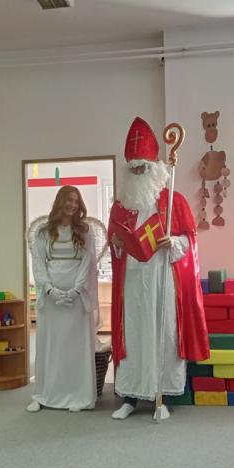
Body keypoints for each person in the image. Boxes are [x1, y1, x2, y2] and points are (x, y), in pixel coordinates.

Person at [108, 116, 208, 421]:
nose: (138, 173)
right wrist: (118, 244)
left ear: (154, 168)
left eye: (143, 168)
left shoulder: (174, 201)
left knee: (164, 334)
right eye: (133, 169)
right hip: (133, 282)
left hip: (164, 279)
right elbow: (115, 246)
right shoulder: (120, 206)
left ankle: (162, 398)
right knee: (134, 334)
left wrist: (172, 242)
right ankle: (130, 397)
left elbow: (190, 241)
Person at [27, 186, 99, 413]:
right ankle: (44, 394)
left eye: (76, 201)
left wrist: (77, 290)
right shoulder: (43, 231)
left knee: (75, 348)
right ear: (60, 201)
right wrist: (50, 290)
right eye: (69, 200)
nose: (73, 205)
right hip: (52, 300)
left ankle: (78, 395)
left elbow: (88, 261)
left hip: (77, 298)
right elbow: (38, 263)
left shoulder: (85, 231)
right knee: (50, 347)